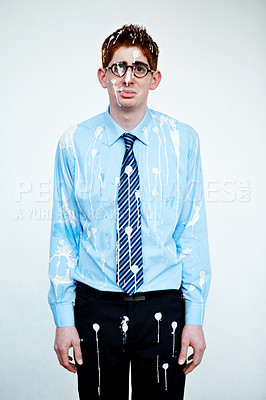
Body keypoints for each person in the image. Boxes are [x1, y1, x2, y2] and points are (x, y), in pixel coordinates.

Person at [48, 23, 211, 400]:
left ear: (154, 78)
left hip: (162, 306)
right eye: (119, 66)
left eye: (139, 68)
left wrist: (195, 317)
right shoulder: (74, 143)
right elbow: (64, 233)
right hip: (95, 306)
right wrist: (62, 319)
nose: (128, 77)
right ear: (103, 75)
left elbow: (191, 229)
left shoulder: (182, 140)